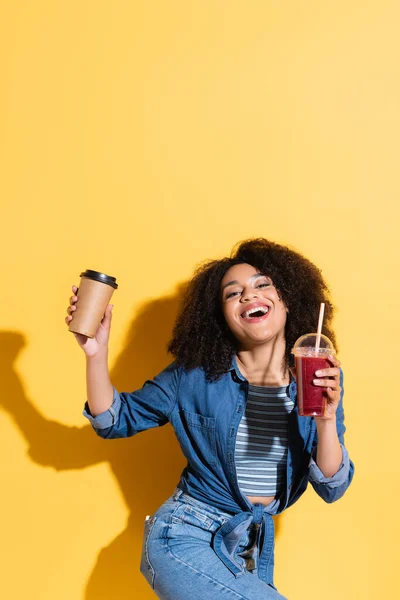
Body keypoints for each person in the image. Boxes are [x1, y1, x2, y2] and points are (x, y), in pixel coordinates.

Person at [65, 238, 354, 600]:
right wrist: (96, 352)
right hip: (184, 537)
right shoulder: (193, 377)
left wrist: (326, 421)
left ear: (288, 299)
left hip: (246, 552)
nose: (249, 295)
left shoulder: (316, 380)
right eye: (233, 294)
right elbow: (114, 420)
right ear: (221, 317)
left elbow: (332, 487)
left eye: (263, 284)